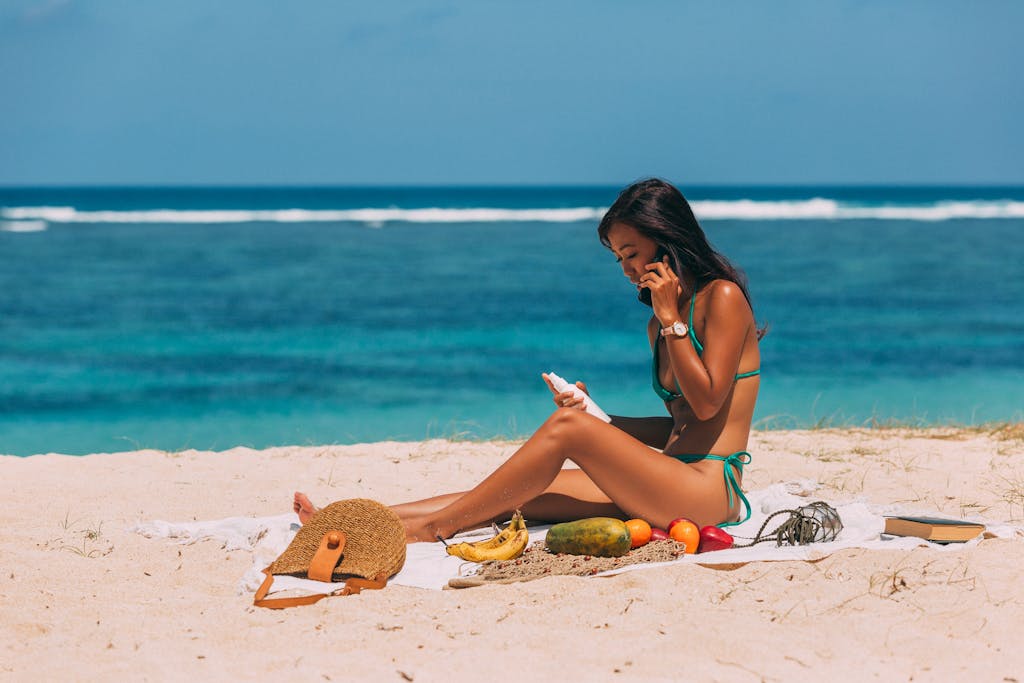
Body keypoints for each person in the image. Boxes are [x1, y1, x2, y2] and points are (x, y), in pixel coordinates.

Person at [294, 178, 764, 541]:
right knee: (513, 494)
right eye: (618, 257)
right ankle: (353, 521)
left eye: (632, 253)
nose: (626, 269)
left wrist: (670, 321)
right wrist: (602, 420)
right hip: (668, 479)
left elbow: (707, 408)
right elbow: (678, 427)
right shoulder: (660, 324)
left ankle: (434, 529)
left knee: (564, 435)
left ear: (667, 242)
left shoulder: (720, 299)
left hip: (707, 492)